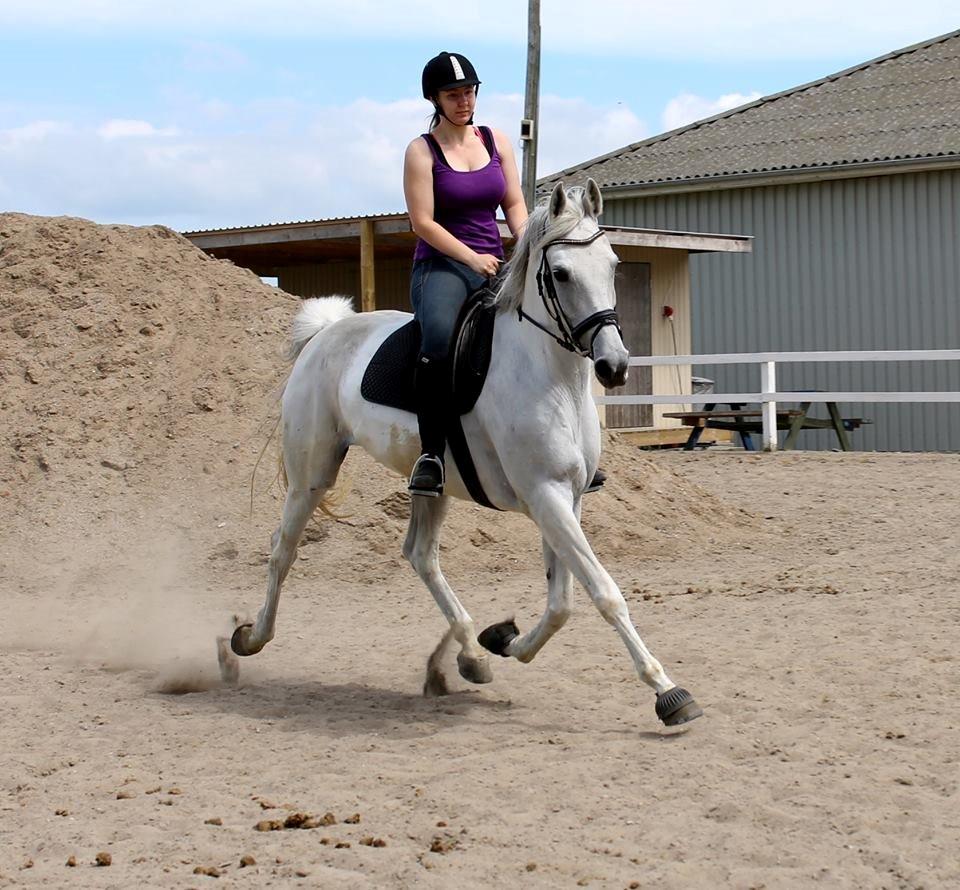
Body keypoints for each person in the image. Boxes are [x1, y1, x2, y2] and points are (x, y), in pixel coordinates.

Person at [403, 51, 527, 497]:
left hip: (496, 261)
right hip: (441, 266)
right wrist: (471, 258)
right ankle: (431, 455)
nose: (464, 101)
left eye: (469, 92)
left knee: (548, 328)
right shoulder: (422, 151)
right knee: (437, 338)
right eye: (453, 94)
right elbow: (423, 222)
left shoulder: (496, 141)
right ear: (434, 98)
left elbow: (513, 203)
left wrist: (527, 245)